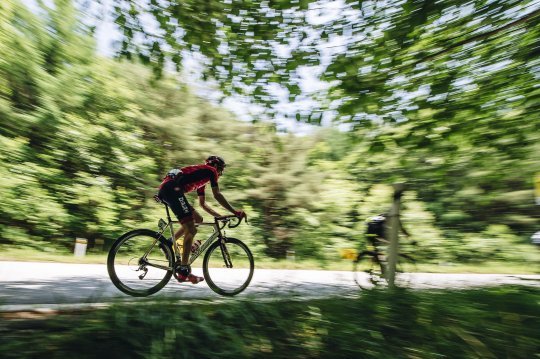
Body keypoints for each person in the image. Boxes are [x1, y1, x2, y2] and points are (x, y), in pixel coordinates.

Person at [157, 155, 245, 284]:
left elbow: (203, 204)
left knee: (198, 218)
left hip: (169, 189)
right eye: (220, 170)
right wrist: (235, 212)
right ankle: (183, 271)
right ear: (216, 166)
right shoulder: (211, 171)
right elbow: (217, 195)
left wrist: (219, 216)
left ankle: (169, 242)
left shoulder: (203, 178)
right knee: (191, 230)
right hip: (172, 189)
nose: (220, 173)